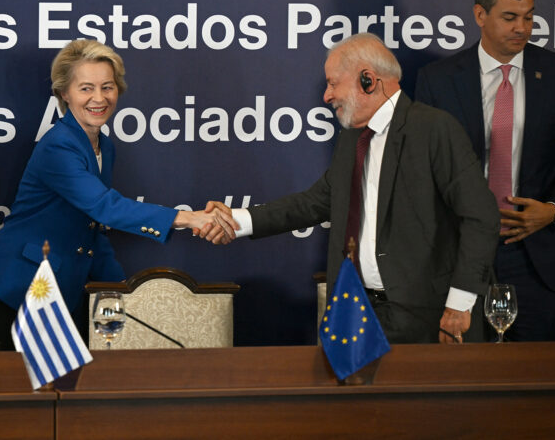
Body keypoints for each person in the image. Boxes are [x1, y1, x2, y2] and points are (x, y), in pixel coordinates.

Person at [199, 33, 499, 344]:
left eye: (332, 83)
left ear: (368, 80)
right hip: (357, 314)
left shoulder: (434, 128)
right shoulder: (352, 139)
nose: (327, 96)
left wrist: (460, 304)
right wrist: (236, 220)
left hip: (428, 318)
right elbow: (314, 202)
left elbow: (481, 217)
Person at [0, 39, 236, 349]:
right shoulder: (59, 145)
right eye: (86, 88)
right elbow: (103, 207)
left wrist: (122, 292)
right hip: (13, 291)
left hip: (54, 292)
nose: (99, 98)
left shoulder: (103, 146)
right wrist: (188, 218)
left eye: (107, 87)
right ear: (64, 93)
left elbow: (93, 230)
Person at [416, 0, 555, 341]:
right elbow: (422, 171)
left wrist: (554, 211)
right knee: (466, 385)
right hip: (461, 257)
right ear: (480, 14)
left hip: (537, 260)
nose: (522, 28)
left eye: (528, 17)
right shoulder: (438, 80)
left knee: (535, 387)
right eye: (509, 17)